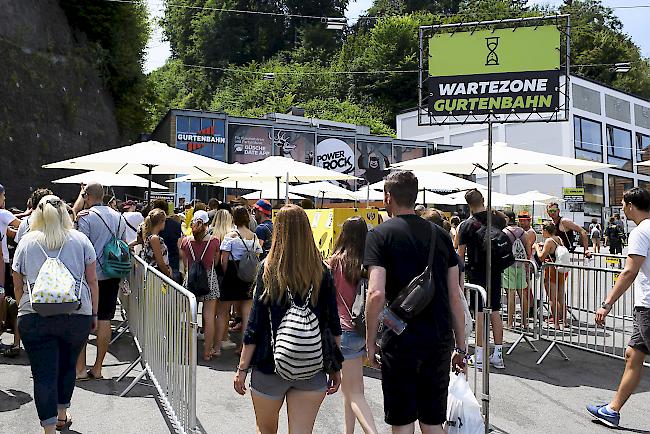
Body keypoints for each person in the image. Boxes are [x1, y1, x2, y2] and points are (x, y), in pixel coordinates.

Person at [364, 171, 467, 433]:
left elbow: (375, 293)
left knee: (402, 420)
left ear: (388, 197)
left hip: (400, 339)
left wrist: (369, 342)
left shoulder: (379, 235)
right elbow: (455, 294)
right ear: (415, 195)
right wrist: (462, 345)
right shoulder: (441, 235)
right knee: (433, 421)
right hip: (439, 337)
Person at [233, 204, 342, 434]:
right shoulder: (322, 272)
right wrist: (334, 367)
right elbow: (334, 324)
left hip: (268, 365)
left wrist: (242, 369)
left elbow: (254, 325)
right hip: (312, 366)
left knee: (266, 430)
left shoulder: (269, 269)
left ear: (278, 231)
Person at [12, 195, 99, 433]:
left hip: (34, 314)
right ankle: (62, 414)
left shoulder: (27, 242)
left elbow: (17, 283)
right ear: (65, 213)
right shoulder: (81, 240)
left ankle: (48, 429)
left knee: (43, 373)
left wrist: (23, 307)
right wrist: (93, 314)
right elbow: (92, 281)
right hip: (77, 313)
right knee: (68, 365)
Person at [587, 187, 650, 427]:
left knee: (634, 356)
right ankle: (612, 410)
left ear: (631, 206)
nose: (622, 208)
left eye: (623, 204)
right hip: (645, 305)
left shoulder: (640, 231)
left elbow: (629, 271)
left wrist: (606, 303)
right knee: (632, 355)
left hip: (648, 306)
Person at [329, 217, 378, 434]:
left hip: (343, 331)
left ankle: (372, 432)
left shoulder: (334, 262)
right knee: (354, 391)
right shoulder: (369, 263)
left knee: (354, 393)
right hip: (365, 330)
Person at [75, 182, 126, 380]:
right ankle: (98, 367)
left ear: (87, 196)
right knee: (105, 319)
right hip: (112, 272)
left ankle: (80, 369)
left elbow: (82, 246)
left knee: (83, 319)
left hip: (90, 275)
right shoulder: (118, 216)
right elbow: (121, 243)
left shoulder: (86, 217)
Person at [457, 188, 507, 369]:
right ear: (483, 200)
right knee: (494, 311)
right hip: (495, 270)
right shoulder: (497, 220)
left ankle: (479, 354)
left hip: (476, 273)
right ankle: (498, 354)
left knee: (479, 313)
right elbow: (506, 219)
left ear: (468, 204)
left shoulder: (466, 225)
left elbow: (460, 256)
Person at [218, 206, 262, 353]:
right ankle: (242, 347)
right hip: (248, 276)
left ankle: (217, 347)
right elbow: (257, 257)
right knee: (246, 313)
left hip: (232, 273)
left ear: (234, 218)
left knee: (223, 311)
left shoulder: (231, 236)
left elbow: (224, 259)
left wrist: (227, 273)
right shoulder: (254, 236)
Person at [180, 210, 220, 361]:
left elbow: (185, 263)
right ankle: (207, 352)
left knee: (189, 317)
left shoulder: (185, 241)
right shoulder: (214, 241)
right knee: (209, 316)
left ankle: (188, 351)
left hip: (190, 279)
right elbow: (215, 262)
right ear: (206, 224)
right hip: (209, 279)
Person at [209, 209, 237, 352]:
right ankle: (223, 338)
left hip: (211, 273)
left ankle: (211, 338)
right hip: (226, 274)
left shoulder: (210, 232)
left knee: (210, 310)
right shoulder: (232, 233)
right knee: (224, 311)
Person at [502, 211, 532, 329]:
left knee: (510, 293)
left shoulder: (504, 232)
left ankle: (509, 322)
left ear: (508, 218)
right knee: (522, 293)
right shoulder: (523, 233)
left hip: (508, 265)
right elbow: (528, 250)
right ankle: (525, 322)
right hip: (522, 265)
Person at [534, 222, 567, 329]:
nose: (541, 232)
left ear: (546, 230)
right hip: (560, 269)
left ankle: (556, 323)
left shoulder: (548, 240)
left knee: (552, 297)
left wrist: (537, 248)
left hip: (551, 270)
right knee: (561, 296)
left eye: (542, 229)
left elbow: (541, 257)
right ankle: (565, 321)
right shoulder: (559, 238)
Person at [152, 199, 183, 284]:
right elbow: (179, 247)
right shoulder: (176, 225)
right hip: (172, 266)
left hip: (154, 269)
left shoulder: (149, 227)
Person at [138, 209, 171, 278]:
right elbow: (160, 262)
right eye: (164, 221)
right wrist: (168, 273)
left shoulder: (150, 237)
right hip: (156, 274)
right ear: (161, 221)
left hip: (154, 274)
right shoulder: (154, 238)